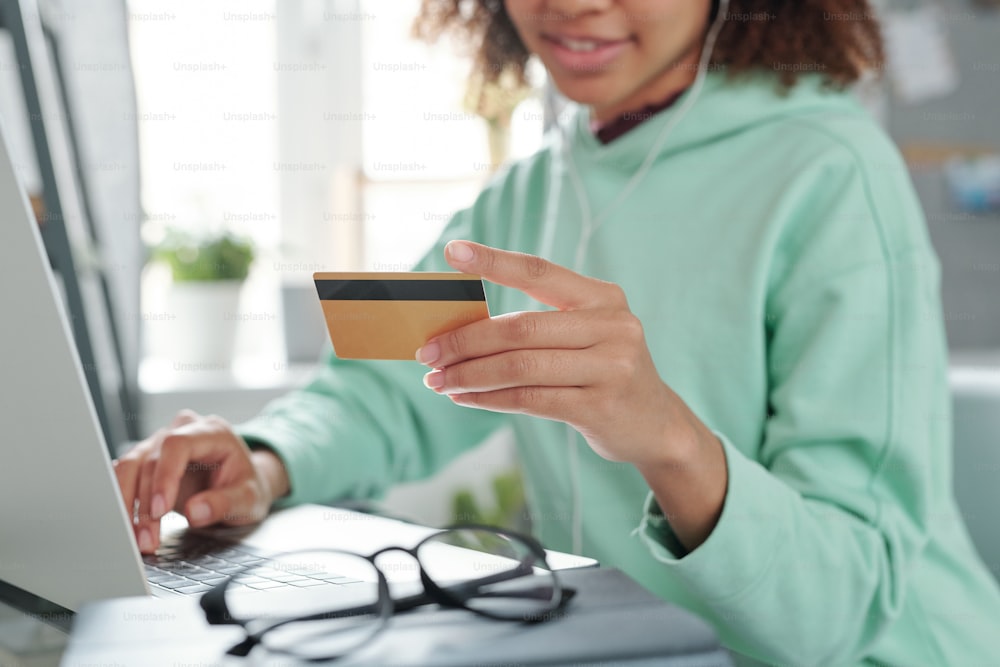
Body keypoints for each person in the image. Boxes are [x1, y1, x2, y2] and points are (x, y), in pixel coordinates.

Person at [114, 0, 1000, 664]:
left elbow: (836, 615)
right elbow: (383, 387)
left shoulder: (832, 170)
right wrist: (261, 460)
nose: (572, 3)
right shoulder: (531, 190)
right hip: (655, 646)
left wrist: (671, 439)